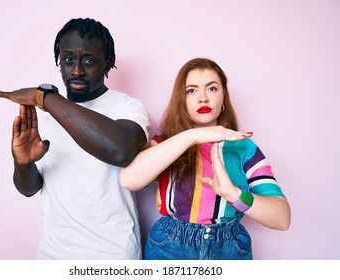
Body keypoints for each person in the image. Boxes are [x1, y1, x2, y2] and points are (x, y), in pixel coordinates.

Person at [0, 18, 150, 259]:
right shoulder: (41, 115)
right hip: (53, 255)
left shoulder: (128, 108)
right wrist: (23, 163)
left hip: (114, 256)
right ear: (59, 61)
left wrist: (44, 97)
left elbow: (120, 151)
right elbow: (28, 189)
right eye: (68, 60)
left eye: (88, 60)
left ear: (107, 63)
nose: (76, 70)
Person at [119, 57, 291, 260]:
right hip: (169, 248)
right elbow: (128, 179)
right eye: (191, 90)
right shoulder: (167, 144)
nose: (203, 98)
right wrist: (194, 136)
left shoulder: (244, 147)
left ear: (223, 96)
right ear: (181, 99)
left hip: (230, 250)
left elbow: (282, 219)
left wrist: (235, 195)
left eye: (212, 88)